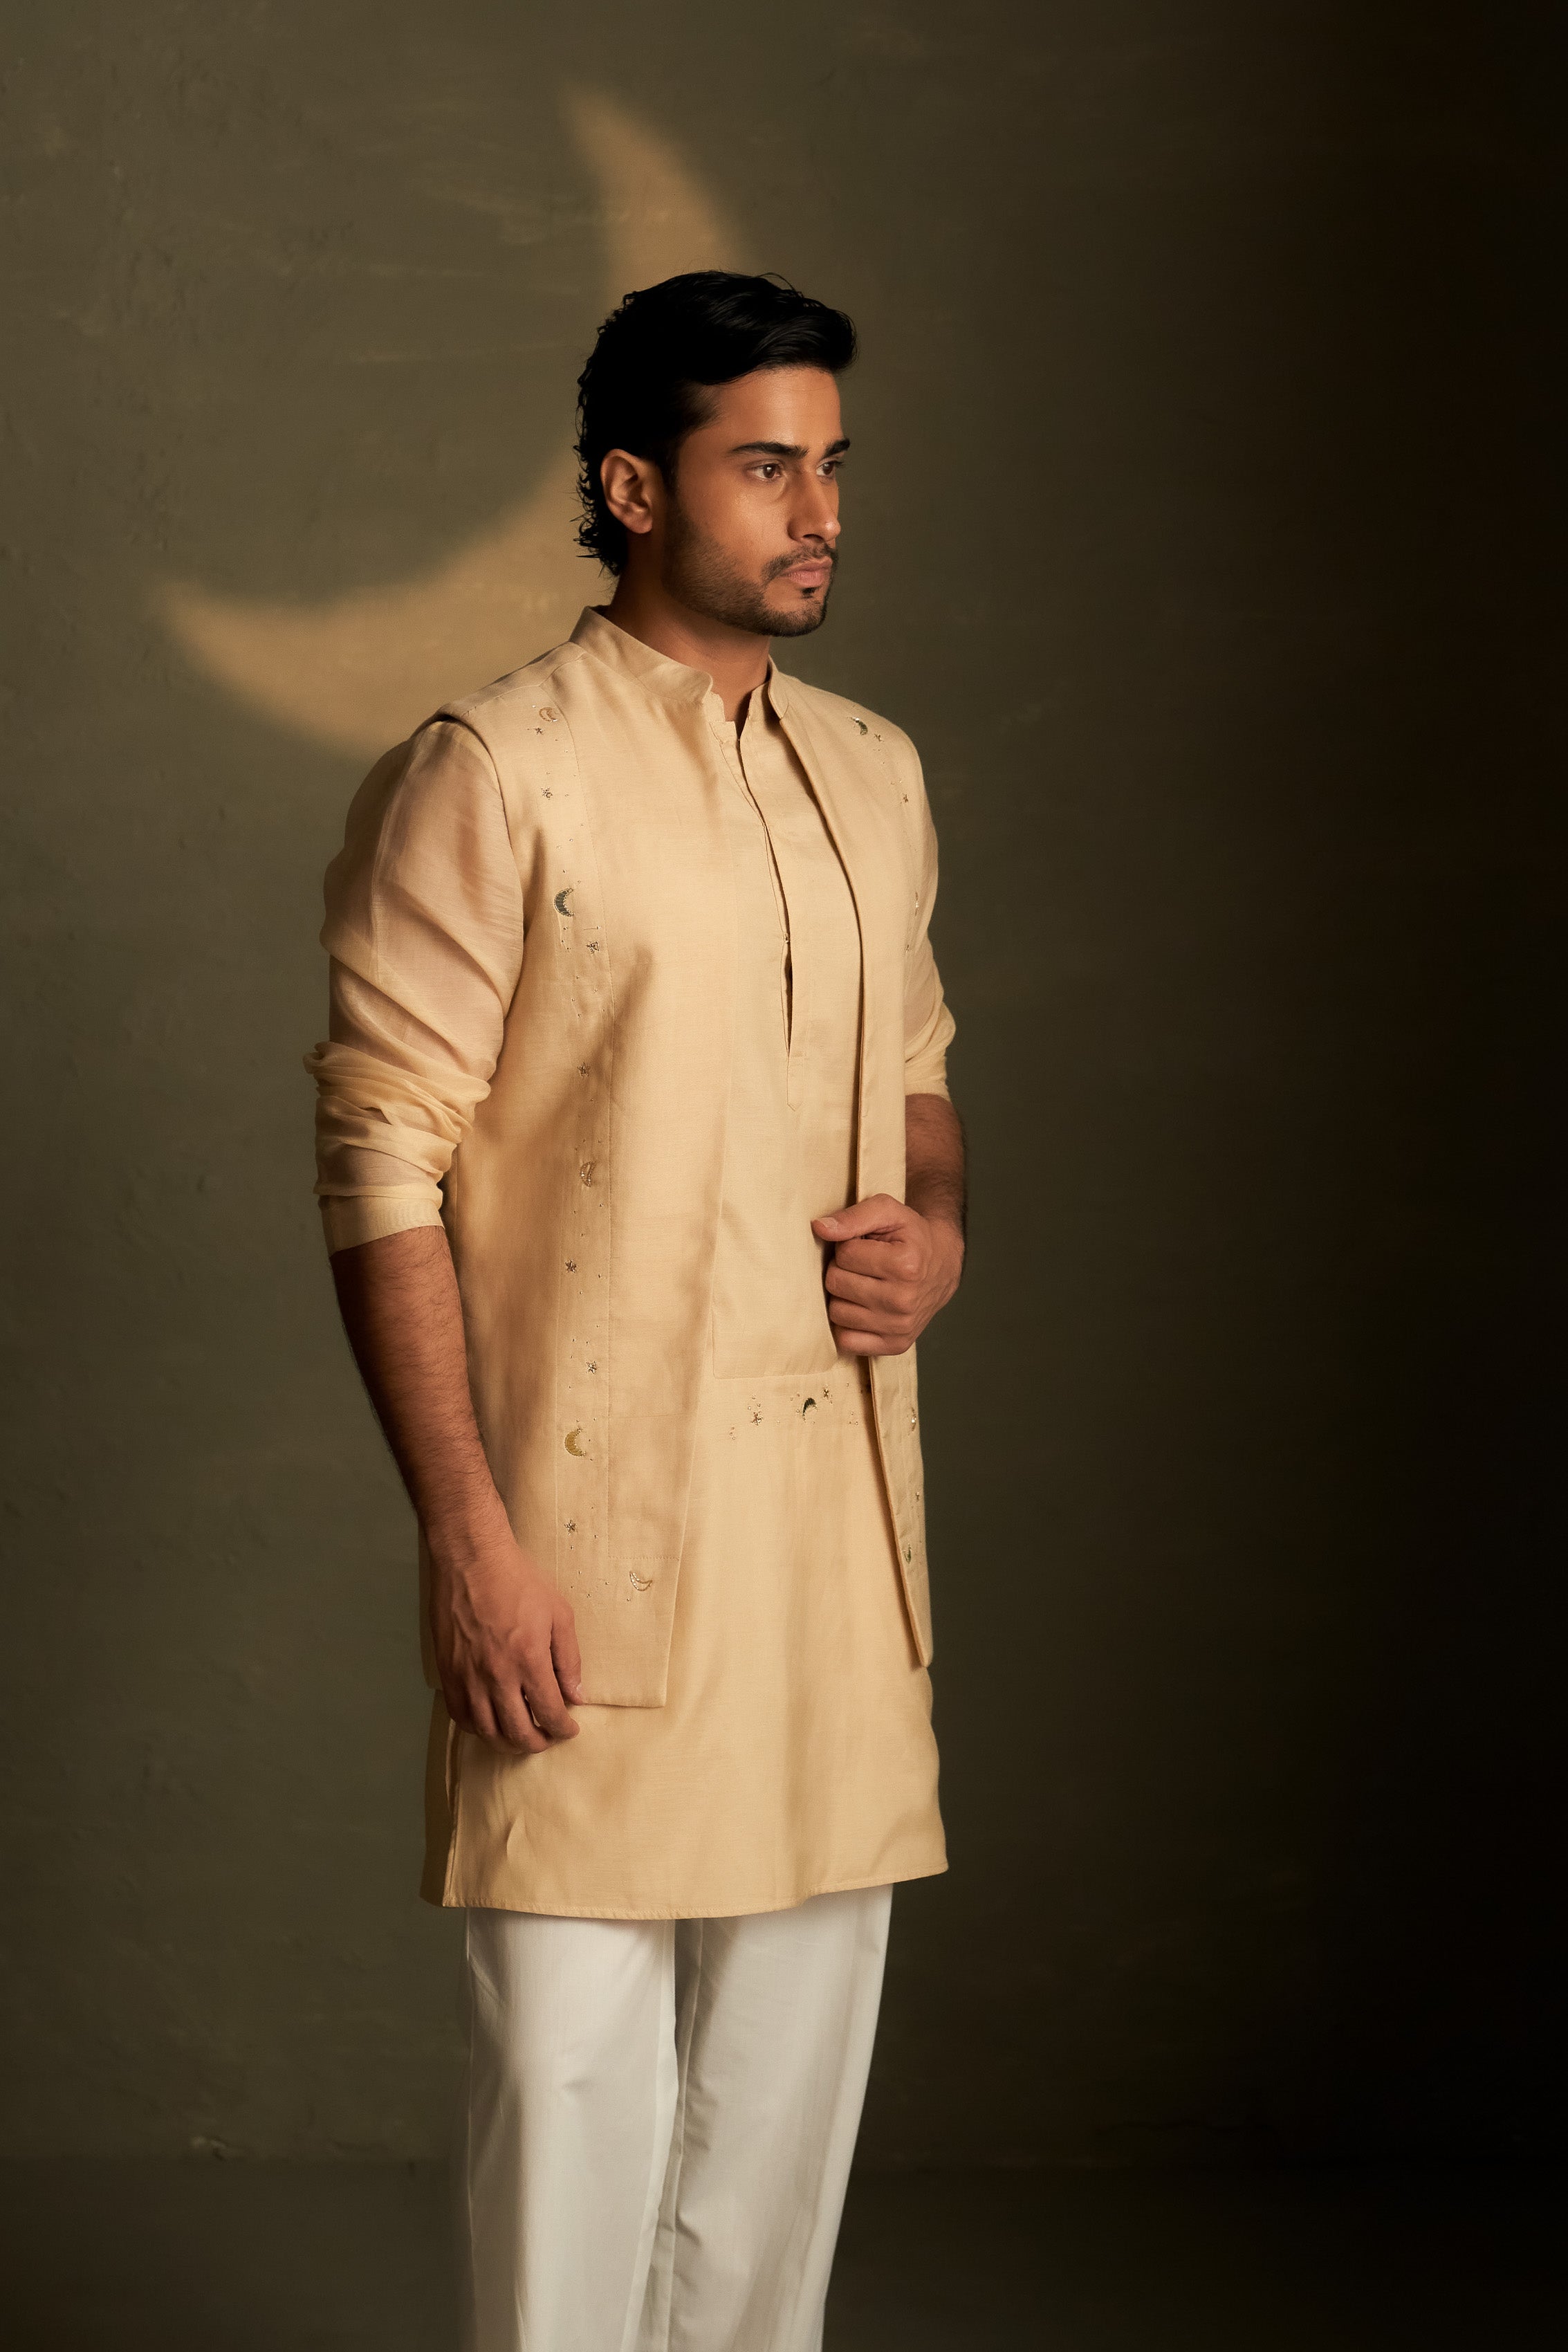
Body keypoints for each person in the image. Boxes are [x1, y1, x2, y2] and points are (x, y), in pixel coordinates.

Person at [306, 270, 966, 2352]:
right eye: (766, 466)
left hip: (837, 1530)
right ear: (632, 487)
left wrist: (937, 1230)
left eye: (832, 465)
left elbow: (919, 1070)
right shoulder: (495, 769)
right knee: (572, 2086)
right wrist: (469, 1539)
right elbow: (378, 1156)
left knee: (787, 2095)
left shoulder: (873, 772)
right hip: (583, 1532)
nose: (818, 511)